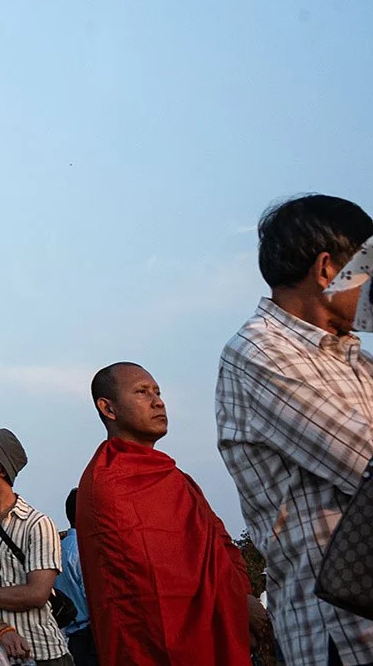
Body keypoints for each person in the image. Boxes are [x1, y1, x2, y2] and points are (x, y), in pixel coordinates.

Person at [217, 195, 373, 666]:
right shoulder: (258, 352)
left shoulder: (357, 360)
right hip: (338, 632)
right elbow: (363, 457)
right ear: (328, 269)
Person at [80, 362, 251, 666]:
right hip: (161, 647)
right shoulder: (107, 484)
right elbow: (141, 591)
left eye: (157, 392)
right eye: (142, 392)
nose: (158, 401)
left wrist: (238, 595)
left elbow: (217, 544)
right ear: (108, 408)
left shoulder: (175, 477)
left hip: (217, 629)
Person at [0, 429, 71, 665]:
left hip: (44, 653)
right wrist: (3, 630)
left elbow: (37, 594)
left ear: (1, 468)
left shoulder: (38, 524)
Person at [55, 490, 94, 666]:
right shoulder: (83, 551)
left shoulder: (58, 550)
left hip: (72, 638)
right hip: (91, 636)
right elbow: (92, 598)